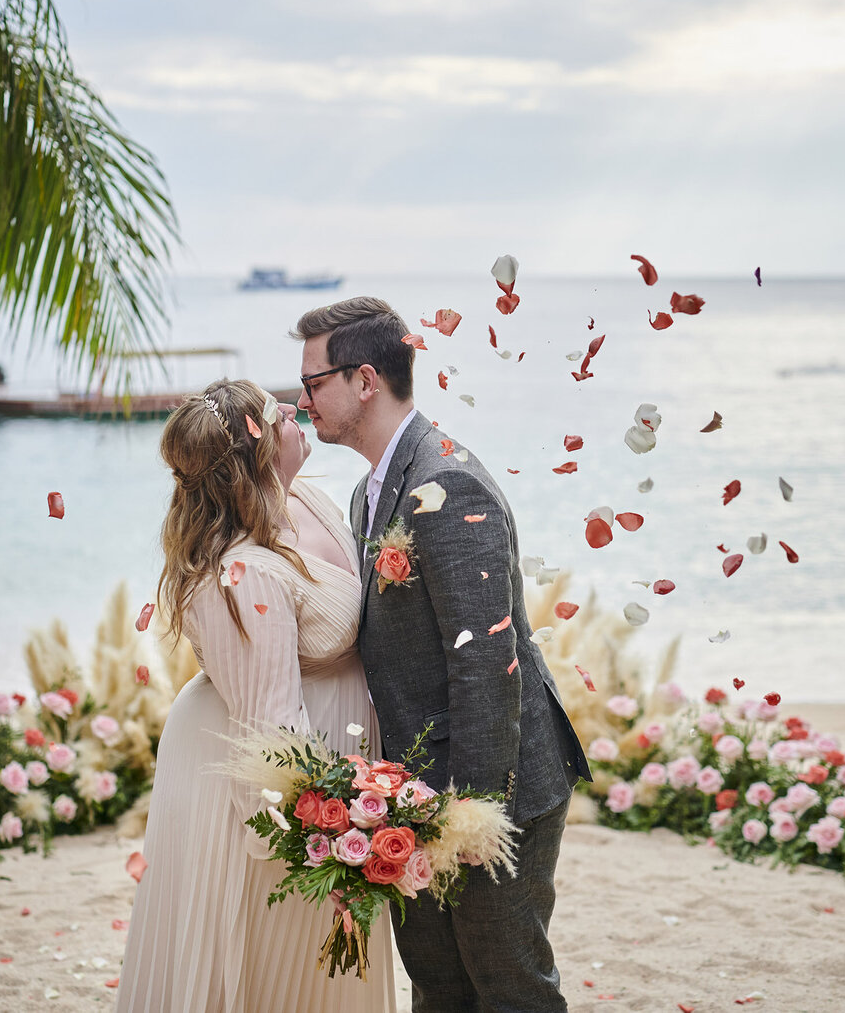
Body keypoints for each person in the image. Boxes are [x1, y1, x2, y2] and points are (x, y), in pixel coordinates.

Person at [292, 297, 591, 1012]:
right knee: (438, 985)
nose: (302, 401)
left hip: (492, 788)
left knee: (510, 987)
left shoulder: (447, 485)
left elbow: (486, 665)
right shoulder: (371, 492)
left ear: (364, 380)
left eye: (312, 383)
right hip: (416, 792)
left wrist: (472, 816)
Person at [115, 379, 395, 1013]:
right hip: (265, 782)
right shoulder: (244, 571)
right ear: (259, 450)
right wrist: (325, 842)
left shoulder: (314, 501)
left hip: (326, 748)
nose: (295, 410)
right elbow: (270, 731)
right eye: (278, 413)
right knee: (278, 962)